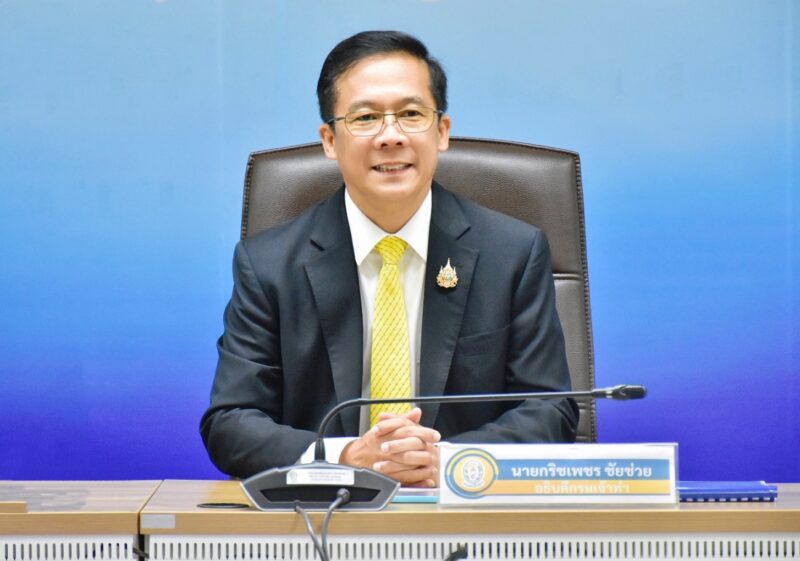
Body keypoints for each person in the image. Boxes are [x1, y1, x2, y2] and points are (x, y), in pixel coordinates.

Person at [201, 30, 578, 487]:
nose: (391, 136)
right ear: (329, 140)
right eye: (365, 118)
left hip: (461, 510)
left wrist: (448, 461)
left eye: (411, 114)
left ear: (442, 131)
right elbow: (231, 423)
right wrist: (346, 457)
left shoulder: (512, 254)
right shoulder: (268, 266)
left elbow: (551, 409)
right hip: (326, 514)